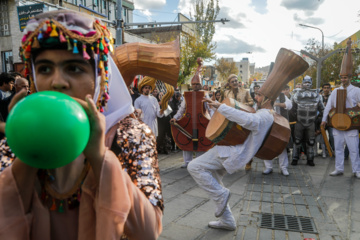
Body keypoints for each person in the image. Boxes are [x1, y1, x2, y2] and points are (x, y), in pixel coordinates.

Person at [0, 10, 163, 239]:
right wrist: (24, 146)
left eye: (74, 68)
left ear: (99, 77)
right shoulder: (19, 136)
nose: (57, 82)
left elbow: (148, 231)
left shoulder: (131, 133)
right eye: (45, 69)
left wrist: (98, 156)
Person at [187, 80, 283, 230]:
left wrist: (221, 107)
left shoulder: (264, 115)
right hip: (234, 152)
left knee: (194, 167)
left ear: (268, 99)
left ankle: (221, 195)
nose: (255, 97)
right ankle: (228, 221)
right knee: (216, 181)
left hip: (231, 152)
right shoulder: (266, 114)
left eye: (259, 95)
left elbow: (249, 120)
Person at [321, 39, 360, 178]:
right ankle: (339, 169)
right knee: (338, 149)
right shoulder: (335, 91)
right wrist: (324, 120)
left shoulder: (356, 90)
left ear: (350, 77)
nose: (343, 79)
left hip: (351, 125)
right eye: (341, 77)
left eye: (345, 77)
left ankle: (356, 170)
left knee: (354, 149)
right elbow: (328, 107)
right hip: (337, 123)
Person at [170, 58, 213, 168]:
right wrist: (175, 117)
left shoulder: (205, 95)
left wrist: (212, 119)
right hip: (188, 121)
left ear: (200, 84)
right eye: (193, 84)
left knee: (201, 142)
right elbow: (182, 109)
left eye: (197, 84)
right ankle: (187, 162)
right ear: (191, 85)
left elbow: (210, 108)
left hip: (201, 121)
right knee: (186, 141)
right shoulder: (186, 96)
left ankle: (199, 162)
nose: (195, 86)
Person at [290, 76, 324, 166]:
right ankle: (295, 158)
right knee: (297, 141)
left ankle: (310, 159)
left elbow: (322, 109)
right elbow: (292, 108)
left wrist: (318, 119)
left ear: (311, 83)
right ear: (302, 83)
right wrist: (295, 117)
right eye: (305, 82)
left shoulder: (316, 95)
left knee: (311, 141)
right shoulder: (296, 94)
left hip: (311, 122)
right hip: (299, 121)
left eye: (309, 82)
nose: (307, 84)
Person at [263, 88, 292, 176]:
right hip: (267, 124)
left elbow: (289, 105)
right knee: (266, 146)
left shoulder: (282, 95)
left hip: (280, 124)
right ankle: (268, 167)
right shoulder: (265, 96)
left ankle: (283, 168)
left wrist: (276, 104)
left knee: (281, 146)